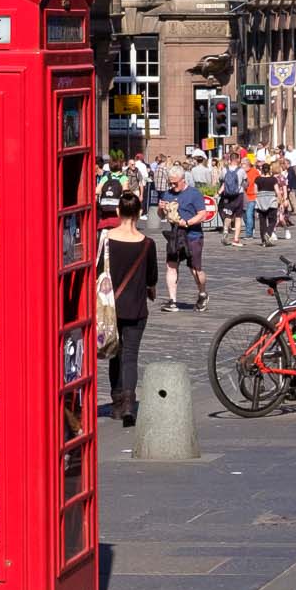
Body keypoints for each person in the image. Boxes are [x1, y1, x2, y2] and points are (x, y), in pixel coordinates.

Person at [103, 188, 157, 427]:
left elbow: (97, 272)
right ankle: (129, 405)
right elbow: (151, 278)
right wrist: (150, 288)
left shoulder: (105, 239)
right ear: (139, 213)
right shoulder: (147, 243)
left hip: (110, 307)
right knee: (130, 358)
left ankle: (116, 402)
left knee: (115, 354)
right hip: (136, 307)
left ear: (118, 211)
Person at [162, 169, 215, 312]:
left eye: (175, 183)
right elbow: (162, 214)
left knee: (195, 269)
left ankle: (203, 293)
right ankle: (172, 300)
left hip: (192, 235)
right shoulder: (168, 194)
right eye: (170, 183)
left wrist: (187, 223)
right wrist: (161, 209)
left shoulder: (194, 193)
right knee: (171, 265)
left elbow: (202, 215)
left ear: (182, 180)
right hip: (175, 235)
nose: (172, 186)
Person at [254, 152, 281, 245]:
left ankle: (263, 240)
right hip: (271, 201)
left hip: (261, 202)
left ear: (262, 170)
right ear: (269, 170)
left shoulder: (257, 179)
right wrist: (279, 200)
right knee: (273, 220)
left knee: (262, 222)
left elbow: (255, 191)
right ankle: (268, 233)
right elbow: (277, 191)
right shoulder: (273, 179)